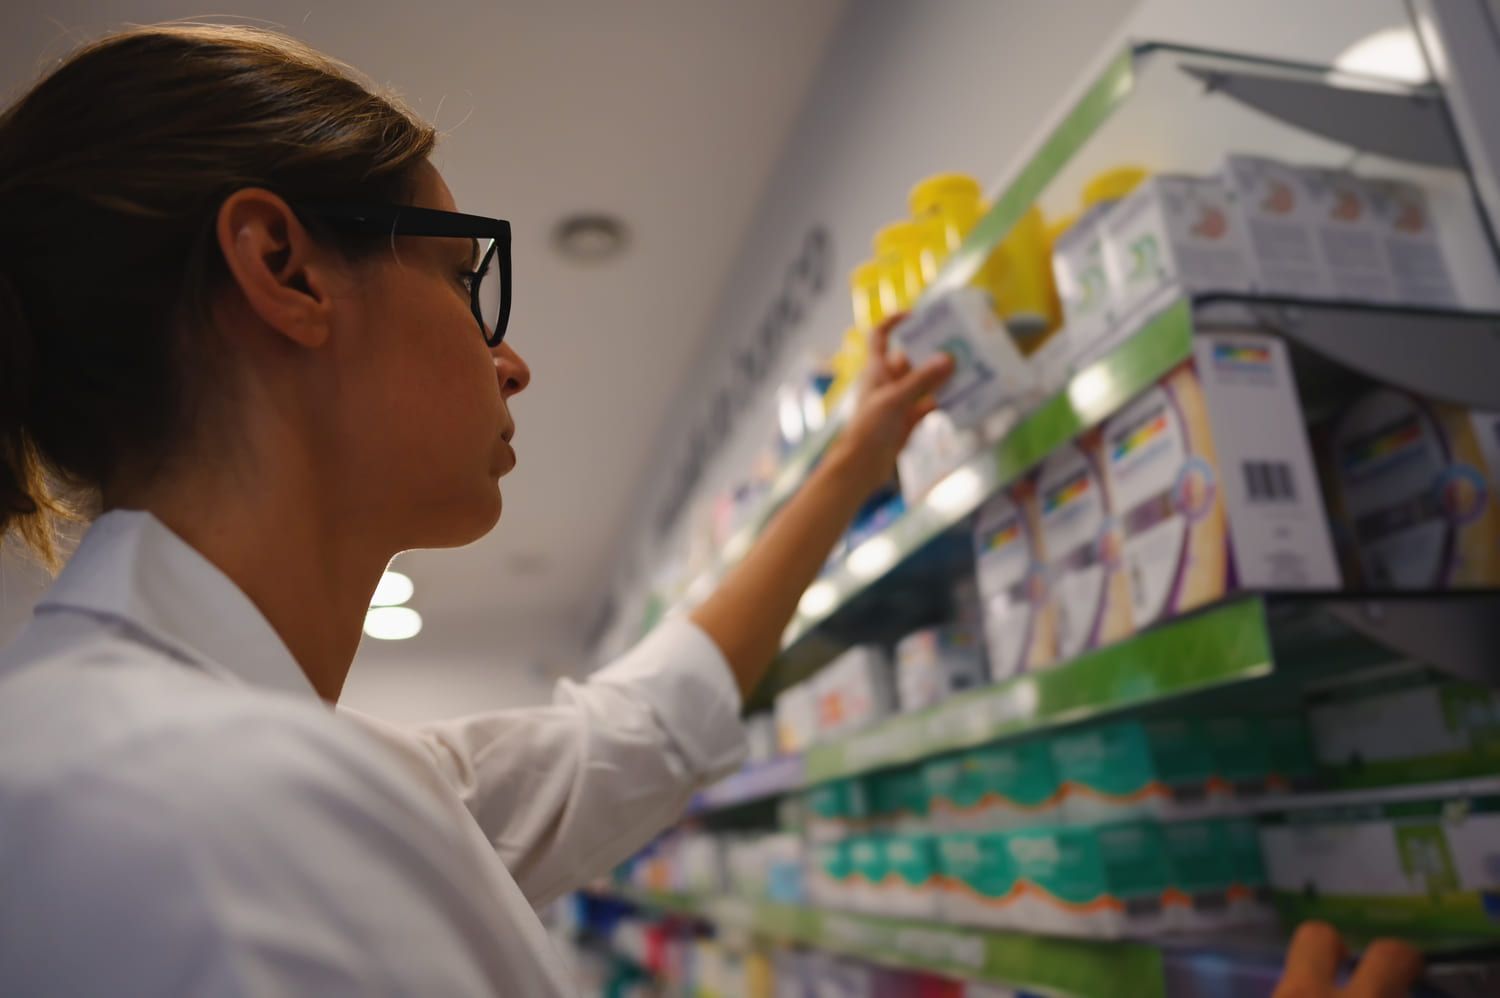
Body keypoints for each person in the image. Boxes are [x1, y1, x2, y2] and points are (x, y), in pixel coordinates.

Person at [0, 22, 1424, 998]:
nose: (510, 354)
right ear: (285, 269)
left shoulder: (251, 763)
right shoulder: (187, 816)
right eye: (462, 274)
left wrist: (851, 463)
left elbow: (629, 731)